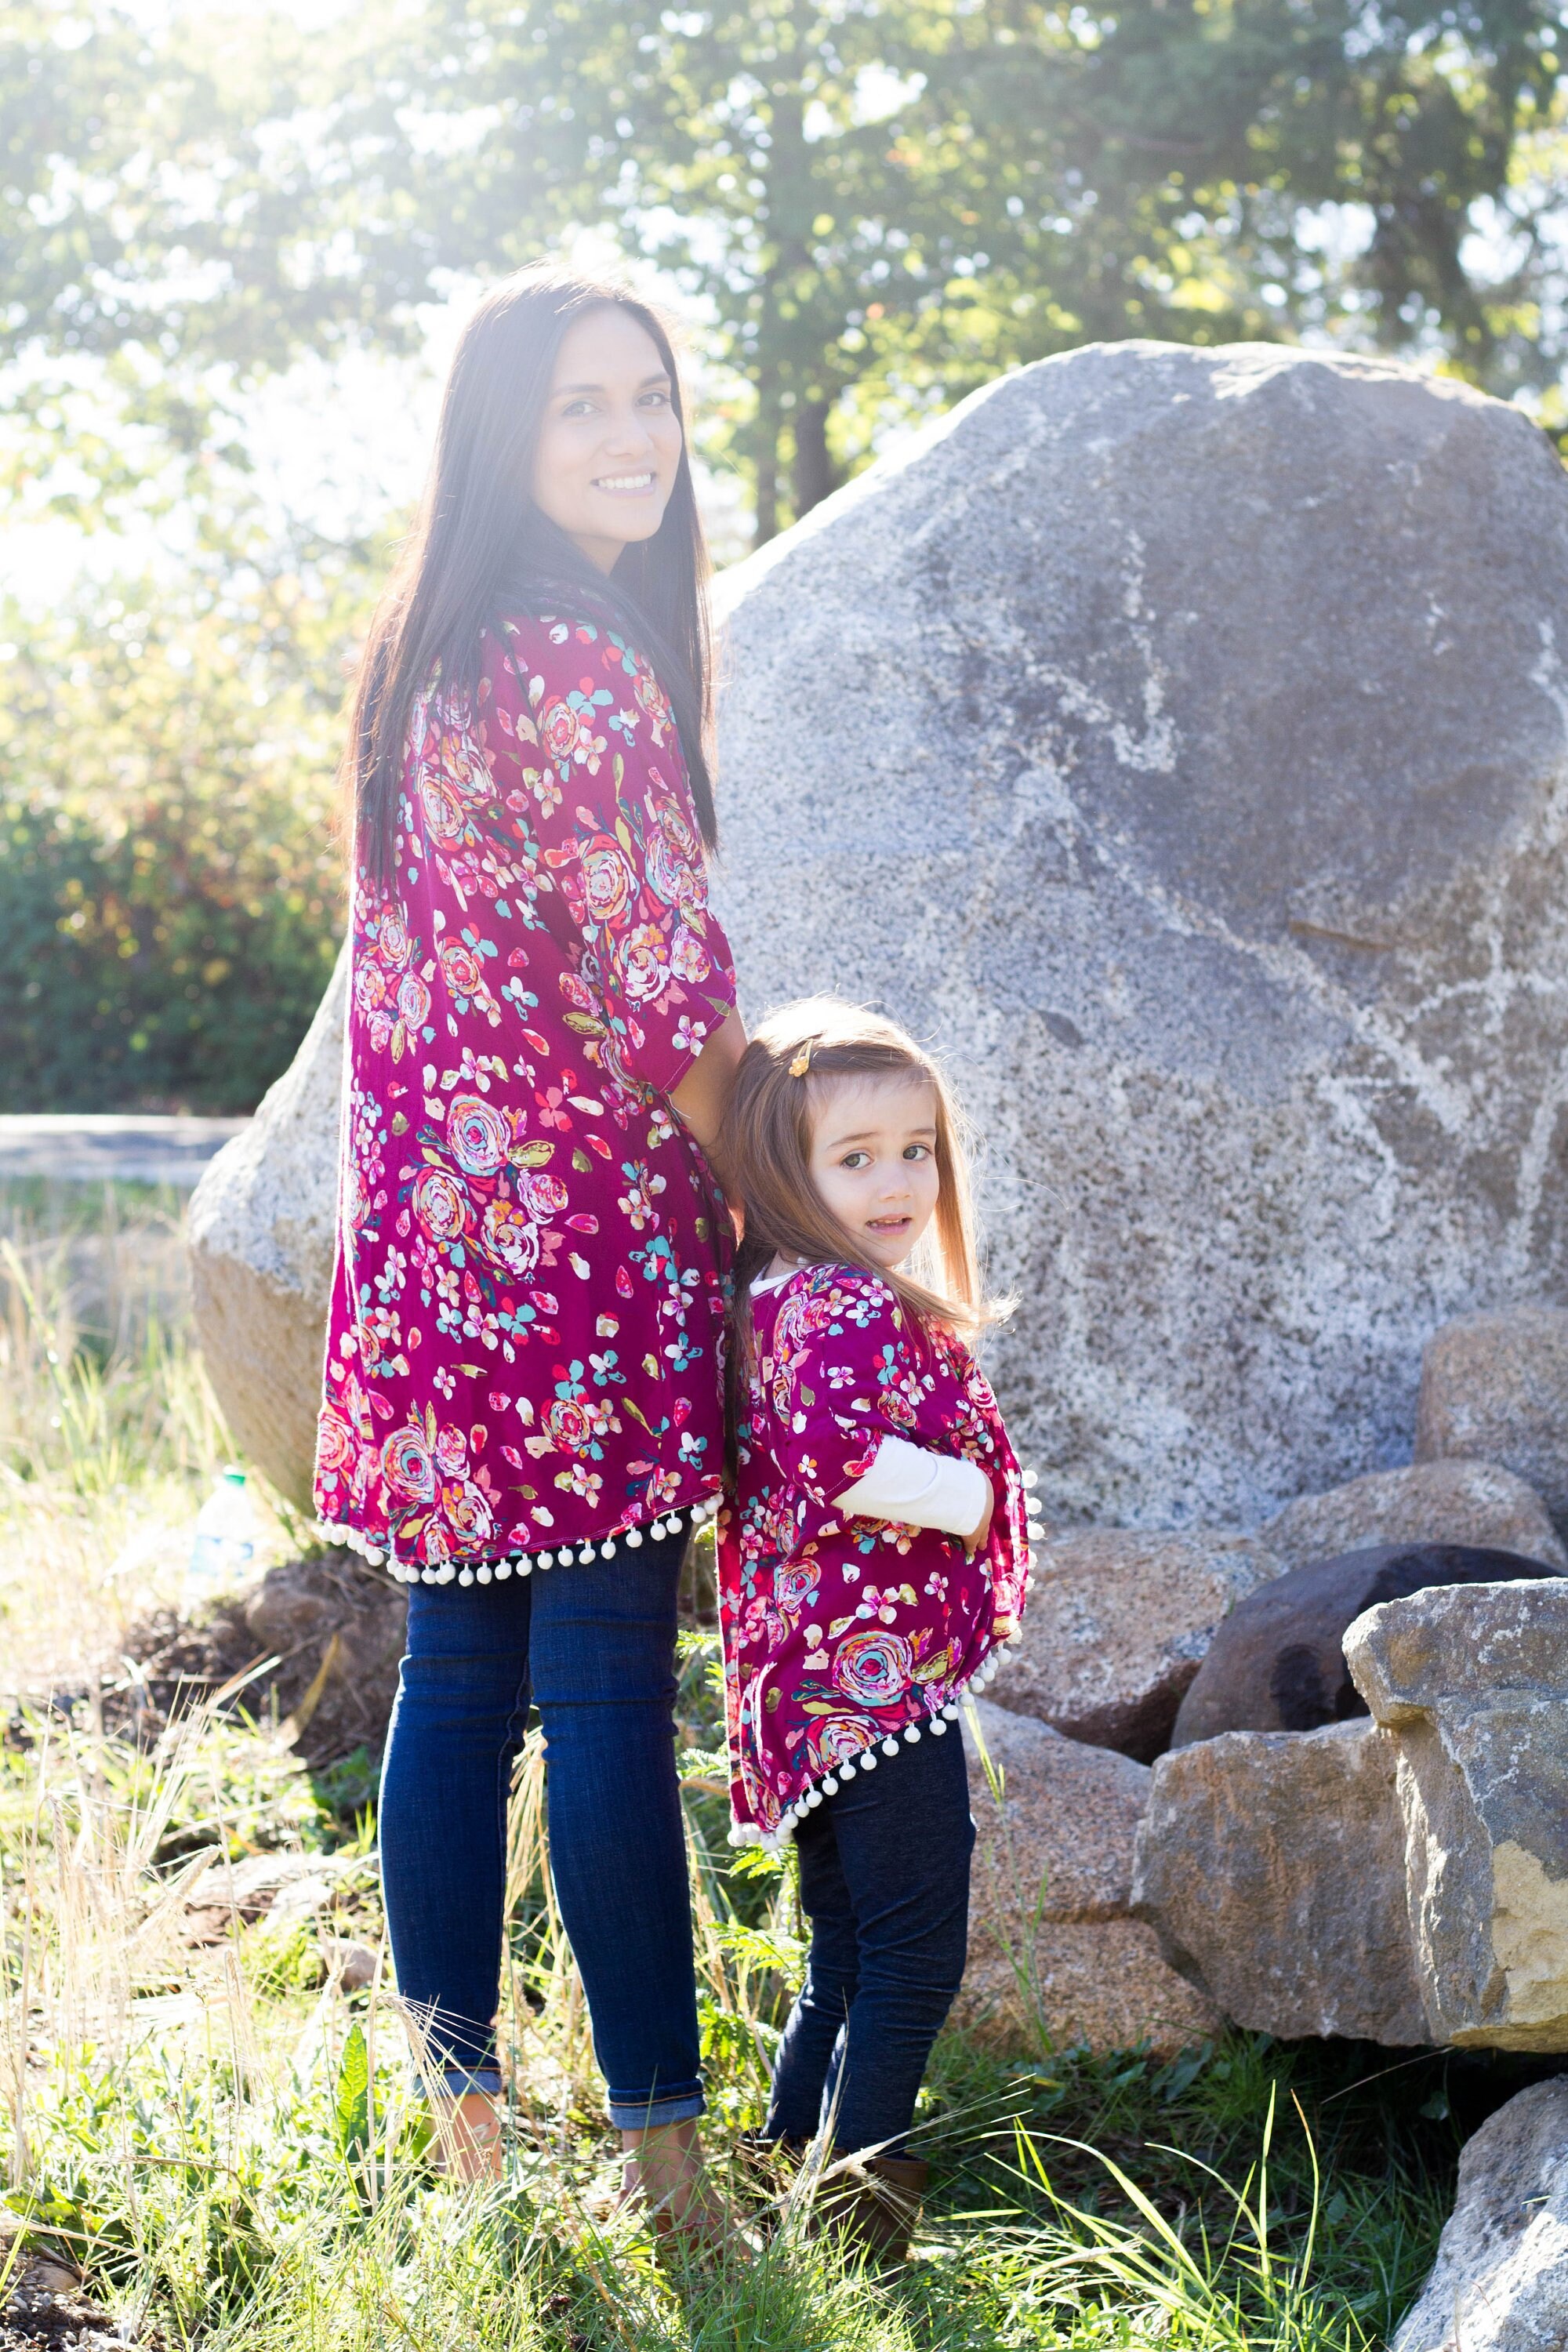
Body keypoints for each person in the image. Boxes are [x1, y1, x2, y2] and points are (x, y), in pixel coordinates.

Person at [312, 265, 747, 2234]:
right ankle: (666, 2170)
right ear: (504, 432)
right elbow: (666, 993)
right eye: (581, 406)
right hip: (567, 1261)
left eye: (649, 398)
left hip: (429, 1254)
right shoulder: (574, 659)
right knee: (597, 1688)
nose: (631, 439)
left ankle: (465, 2143)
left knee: (457, 1683)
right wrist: (810, 1205)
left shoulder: (430, 650)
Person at [715, 998, 1034, 2263]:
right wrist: (975, 1496)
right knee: (915, 1941)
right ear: (788, 1172)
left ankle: (787, 2162)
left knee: (845, 1940)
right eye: (855, 1159)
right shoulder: (840, 1303)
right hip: (873, 1678)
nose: (897, 1181)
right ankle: (859, 2220)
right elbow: (847, 1458)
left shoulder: (780, 1295)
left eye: (917, 1149)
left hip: (814, 1681)